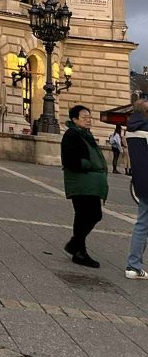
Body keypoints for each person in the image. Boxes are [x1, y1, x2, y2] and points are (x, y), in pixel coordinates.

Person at [61, 104, 108, 267]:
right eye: (84, 117)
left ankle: (75, 244)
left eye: (89, 117)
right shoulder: (72, 135)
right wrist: (89, 164)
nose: (88, 120)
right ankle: (79, 251)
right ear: (74, 119)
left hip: (89, 184)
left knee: (92, 215)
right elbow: (70, 160)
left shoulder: (84, 134)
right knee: (85, 215)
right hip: (81, 182)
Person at [125, 99, 148, 278]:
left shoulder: (131, 130)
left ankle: (133, 266)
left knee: (141, 224)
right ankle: (134, 265)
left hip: (141, 182)